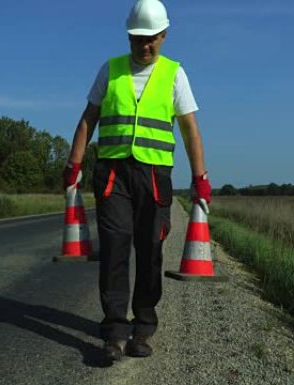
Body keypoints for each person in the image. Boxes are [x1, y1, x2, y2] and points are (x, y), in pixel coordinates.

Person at [63, 0, 212, 362]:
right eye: (137, 39)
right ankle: (114, 332)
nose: (145, 46)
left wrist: (200, 177)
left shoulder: (175, 74)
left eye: (152, 39)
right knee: (114, 249)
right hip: (113, 174)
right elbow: (89, 119)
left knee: (150, 250)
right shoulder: (110, 71)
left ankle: (143, 328)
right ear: (129, 36)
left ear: (164, 35)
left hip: (155, 176)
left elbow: (190, 128)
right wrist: (74, 163)